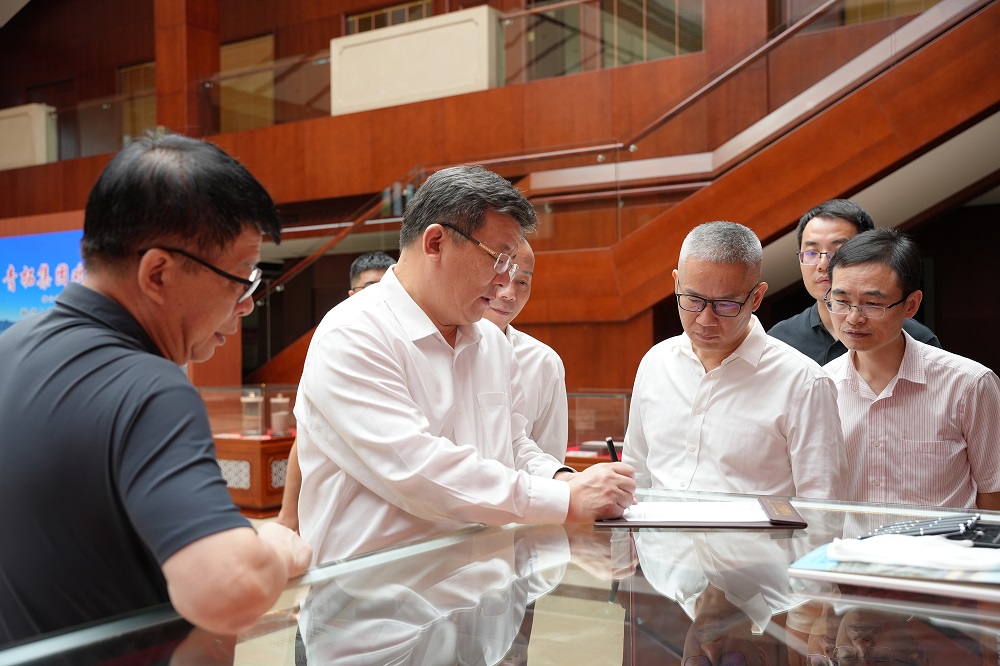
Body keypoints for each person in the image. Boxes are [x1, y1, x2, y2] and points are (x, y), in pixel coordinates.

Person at [0, 134, 312, 646]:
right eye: (240, 277)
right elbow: (228, 588)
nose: (247, 303)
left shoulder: (10, 347)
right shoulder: (150, 389)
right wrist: (278, 546)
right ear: (158, 274)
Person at [294, 164, 636, 564]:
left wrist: (562, 479)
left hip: (482, 579)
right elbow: (417, 470)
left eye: (512, 266)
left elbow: (512, 445)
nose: (504, 281)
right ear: (436, 243)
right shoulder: (353, 333)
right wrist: (565, 499)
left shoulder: (490, 341)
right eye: (499, 258)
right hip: (376, 590)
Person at [623, 221, 846, 499]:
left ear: (757, 298)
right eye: (693, 300)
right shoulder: (656, 363)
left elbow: (821, 504)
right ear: (677, 282)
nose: (705, 320)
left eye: (725, 304)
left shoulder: (803, 383)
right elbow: (636, 473)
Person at [823, 228, 1000, 509]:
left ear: (912, 304)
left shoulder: (969, 384)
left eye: (873, 304)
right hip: (850, 539)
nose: (854, 318)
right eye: (841, 301)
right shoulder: (821, 385)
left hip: (942, 539)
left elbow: (993, 492)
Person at [276, 250, 396, 532]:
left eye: (389, 287)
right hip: (343, 508)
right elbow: (307, 431)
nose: (380, 296)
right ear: (352, 294)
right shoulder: (334, 342)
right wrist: (288, 514)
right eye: (370, 288)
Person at [768, 199, 940, 364]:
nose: (823, 264)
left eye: (838, 251)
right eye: (812, 252)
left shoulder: (917, 340)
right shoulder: (779, 340)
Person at [482, 239, 569, 462]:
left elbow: (549, 457)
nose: (509, 293)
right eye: (500, 275)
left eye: (522, 282)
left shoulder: (543, 361)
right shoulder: (440, 345)